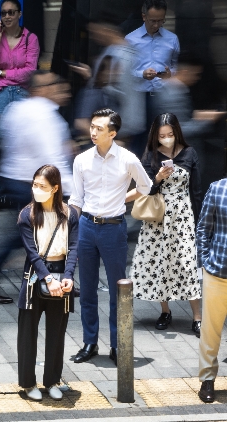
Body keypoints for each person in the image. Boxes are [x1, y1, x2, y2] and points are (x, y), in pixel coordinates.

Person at [68, 108, 152, 365]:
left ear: (112, 133)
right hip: (87, 226)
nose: (93, 132)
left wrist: (123, 198)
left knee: (119, 290)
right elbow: (77, 198)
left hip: (114, 228)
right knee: (88, 289)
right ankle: (90, 342)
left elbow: (146, 186)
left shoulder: (128, 159)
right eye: (92, 126)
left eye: (99, 128)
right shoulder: (81, 160)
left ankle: (118, 345)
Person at [0, 71, 74, 305]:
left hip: (15, 180)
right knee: (37, 237)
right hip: (36, 186)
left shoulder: (16, 109)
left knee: (34, 236)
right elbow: (51, 156)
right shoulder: (45, 115)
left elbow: (2, 145)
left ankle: (53, 280)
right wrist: (71, 188)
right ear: (39, 89)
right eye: (52, 84)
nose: (56, 88)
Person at [131, 113, 202, 335]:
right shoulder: (150, 156)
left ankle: (197, 316)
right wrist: (159, 177)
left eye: (170, 134)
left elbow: (196, 190)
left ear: (177, 133)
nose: (167, 139)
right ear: (156, 136)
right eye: (162, 136)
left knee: (187, 263)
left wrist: (199, 223)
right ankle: (165, 310)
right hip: (158, 217)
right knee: (161, 262)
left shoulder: (189, 153)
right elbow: (145, 189)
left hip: (183, 215)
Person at [17, 165, 79, 402]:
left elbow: (74, 248)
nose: (36, 190)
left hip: (62, 274)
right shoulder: (27, 215)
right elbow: (32, 253)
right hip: (35, 276)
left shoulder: (70, 214)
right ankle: (28, 383)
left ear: (55, 188)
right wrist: (48, 278)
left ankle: (52, 380)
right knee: (27, 333)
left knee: (57, 333)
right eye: (34, 185)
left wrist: (69, 277)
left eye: (42, 186)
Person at [0, 0, 40, 188]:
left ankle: (19, 188)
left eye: (11, 12)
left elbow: (29, 71)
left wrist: (2, 73)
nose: (7, 16)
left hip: (22, 93)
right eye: (3, 13)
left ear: (19, 14)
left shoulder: (30, 38)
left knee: (21, 141)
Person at [69, 14, 145, 143]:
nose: (93, 37)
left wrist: (91, 79)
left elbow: (116, 91)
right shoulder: (130, 51)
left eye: (95, 32)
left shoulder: (119, 56)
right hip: (126, 124)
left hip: (119, 126)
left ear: (107, 31)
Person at [195, 176, 227, 403]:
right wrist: (206, 262)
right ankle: (208, 379)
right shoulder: (217, 188)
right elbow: (203, 228)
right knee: (210, 330)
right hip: (217, 271)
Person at [125, 0, 180, 126]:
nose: (156, 25)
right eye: (153, 21)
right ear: (144, 17)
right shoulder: (130, 39)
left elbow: (177, 66)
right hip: (139, 97)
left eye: (160, 20)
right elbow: (124, 71)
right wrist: (141, 74)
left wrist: (170, 74)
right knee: (141, 138)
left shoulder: (172, 39)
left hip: (165, 96)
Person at [151, 53, 226, 140]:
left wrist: (197, 116)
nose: (197, 78)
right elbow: (179, 130)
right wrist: (209, 119)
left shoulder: (164, 88)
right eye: (196, 74)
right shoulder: (175, 95)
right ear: (185, 72)